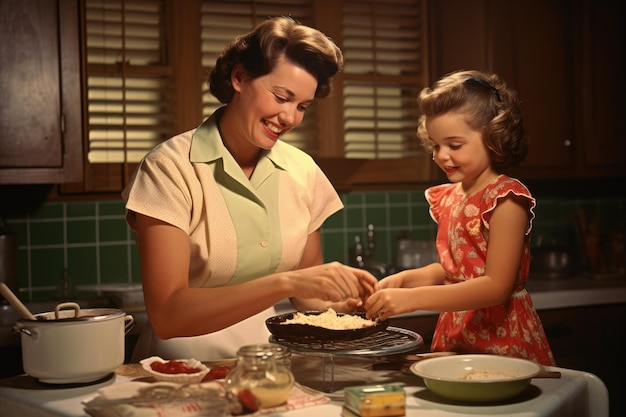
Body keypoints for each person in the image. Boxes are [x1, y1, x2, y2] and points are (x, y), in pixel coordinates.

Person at [122, 16, 378, 361]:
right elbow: (168, 315)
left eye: (302, 106)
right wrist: (285, 284)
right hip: (181, 365)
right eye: (282, 97)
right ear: (240, 77)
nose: (290, 118)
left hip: (269, 361)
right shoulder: (170, 168)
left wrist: (347, 301)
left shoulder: (302, 171)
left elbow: (307, 297)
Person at [364, 70, 555, 366]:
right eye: (436, 144)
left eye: (454, 145)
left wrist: (413, 300)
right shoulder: (450, 197)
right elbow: (457, 269)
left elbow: (495, 286)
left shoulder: (506, 198)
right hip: (458, 334)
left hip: (502, 340)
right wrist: (406, 281)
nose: (441, 155)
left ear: (494, 138)